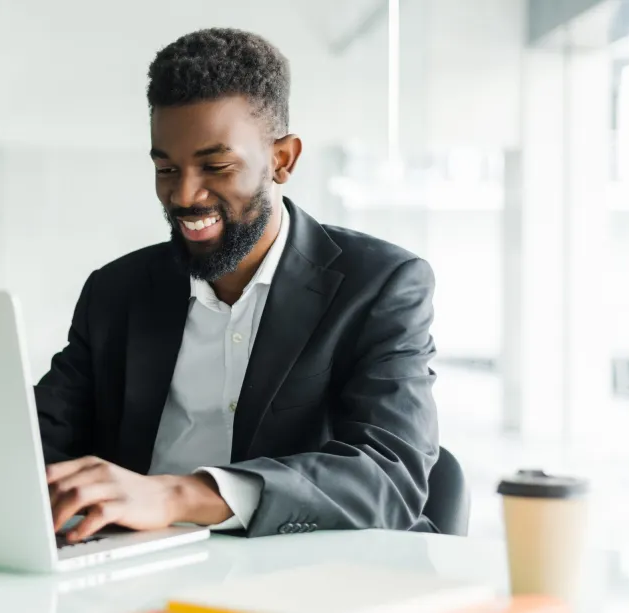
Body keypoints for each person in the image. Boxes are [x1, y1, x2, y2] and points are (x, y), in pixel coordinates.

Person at [36, 28, 439, 543]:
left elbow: (388, 475)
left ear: (282, 160)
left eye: (216, 166)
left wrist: (177, 495)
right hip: (133, 561)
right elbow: (39, 441)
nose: (184, 195)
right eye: (166, 168)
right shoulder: (116, 291)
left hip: (297, 567)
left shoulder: (380, 285)